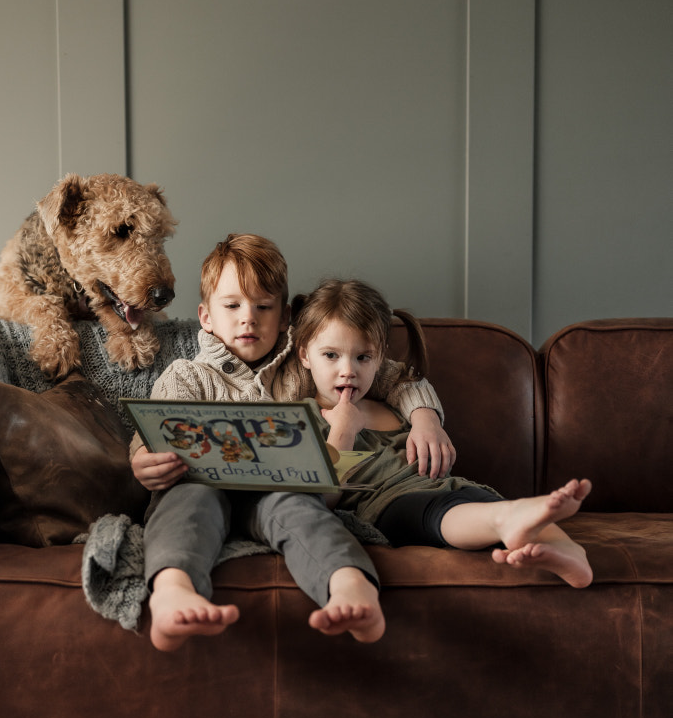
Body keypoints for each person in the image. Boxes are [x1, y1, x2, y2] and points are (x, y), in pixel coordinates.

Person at [130, 234, 454, 651]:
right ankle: (173, 591)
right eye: (232, 306)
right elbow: (151, 433)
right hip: (200, 485)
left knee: (302, 508)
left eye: (263, 307)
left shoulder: (300, 365)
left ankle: (349, 585)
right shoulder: (187, 377)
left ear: (285, 318)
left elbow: (392, 376)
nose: (248, 319)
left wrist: (426, 419)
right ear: (205, 317)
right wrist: (143, 459)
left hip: (278, 492)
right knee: (187, 503)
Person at [292, 278, 593, 588]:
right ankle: (505, 522)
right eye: (331, 355)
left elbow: (412, 386)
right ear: (304, 355)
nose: (348, 370)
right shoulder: (303, 419)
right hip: (389, 507)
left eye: (362, 357)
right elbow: (322, 499)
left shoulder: (393, 404)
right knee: (439, 513)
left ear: (380, 357)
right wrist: (342, 431)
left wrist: (425, 421)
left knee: (484, 499)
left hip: (445, 486)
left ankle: (568, 550)